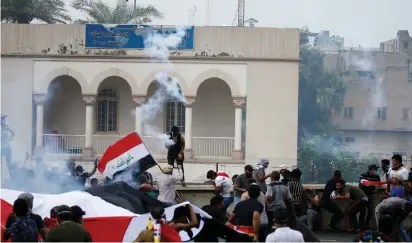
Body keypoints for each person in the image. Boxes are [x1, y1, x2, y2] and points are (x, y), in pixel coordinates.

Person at [358, 164, 381, 229]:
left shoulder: (376, 176)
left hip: (371, 195)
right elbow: (361, 183)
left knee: (371, 211)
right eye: (373, 170)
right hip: (363, 195)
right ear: (370, 169)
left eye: (375, 170)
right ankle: (360, 226)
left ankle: (366, 225)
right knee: (363, 211)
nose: (374, 171)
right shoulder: (364, 174)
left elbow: (379, 184)